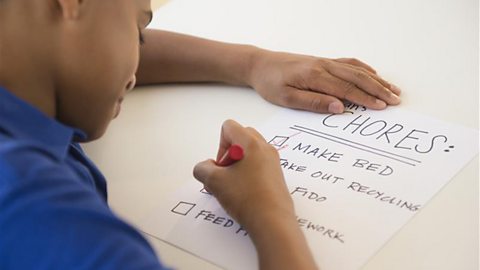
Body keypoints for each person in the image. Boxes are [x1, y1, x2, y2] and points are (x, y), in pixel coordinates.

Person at [0, 0, 401, 269]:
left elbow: (80, 42)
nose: (137, 63)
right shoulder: (38, 212)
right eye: (138, 30)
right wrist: (269, 215)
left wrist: (252, 63)